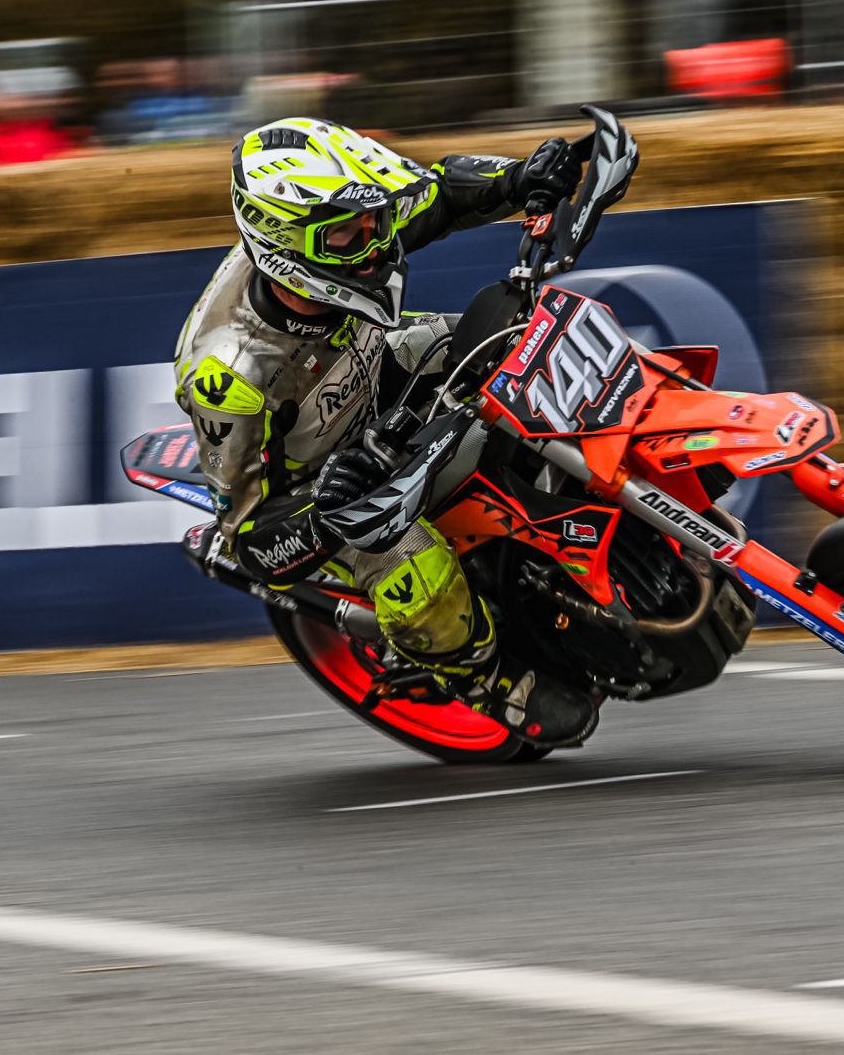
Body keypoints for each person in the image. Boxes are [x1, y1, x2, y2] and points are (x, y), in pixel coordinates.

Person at [175, 117, 595, 745]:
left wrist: (518, 178)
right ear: (283, 246)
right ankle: (487, 680)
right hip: (324, 486)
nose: (374, 243)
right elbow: (251, 541)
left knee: (517, 344)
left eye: (373, 221)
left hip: (373, 365)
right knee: (419, 574)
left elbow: (437, 193)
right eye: (349, 233)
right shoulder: (230, 376)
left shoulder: (339, 228)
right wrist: (327, 507)